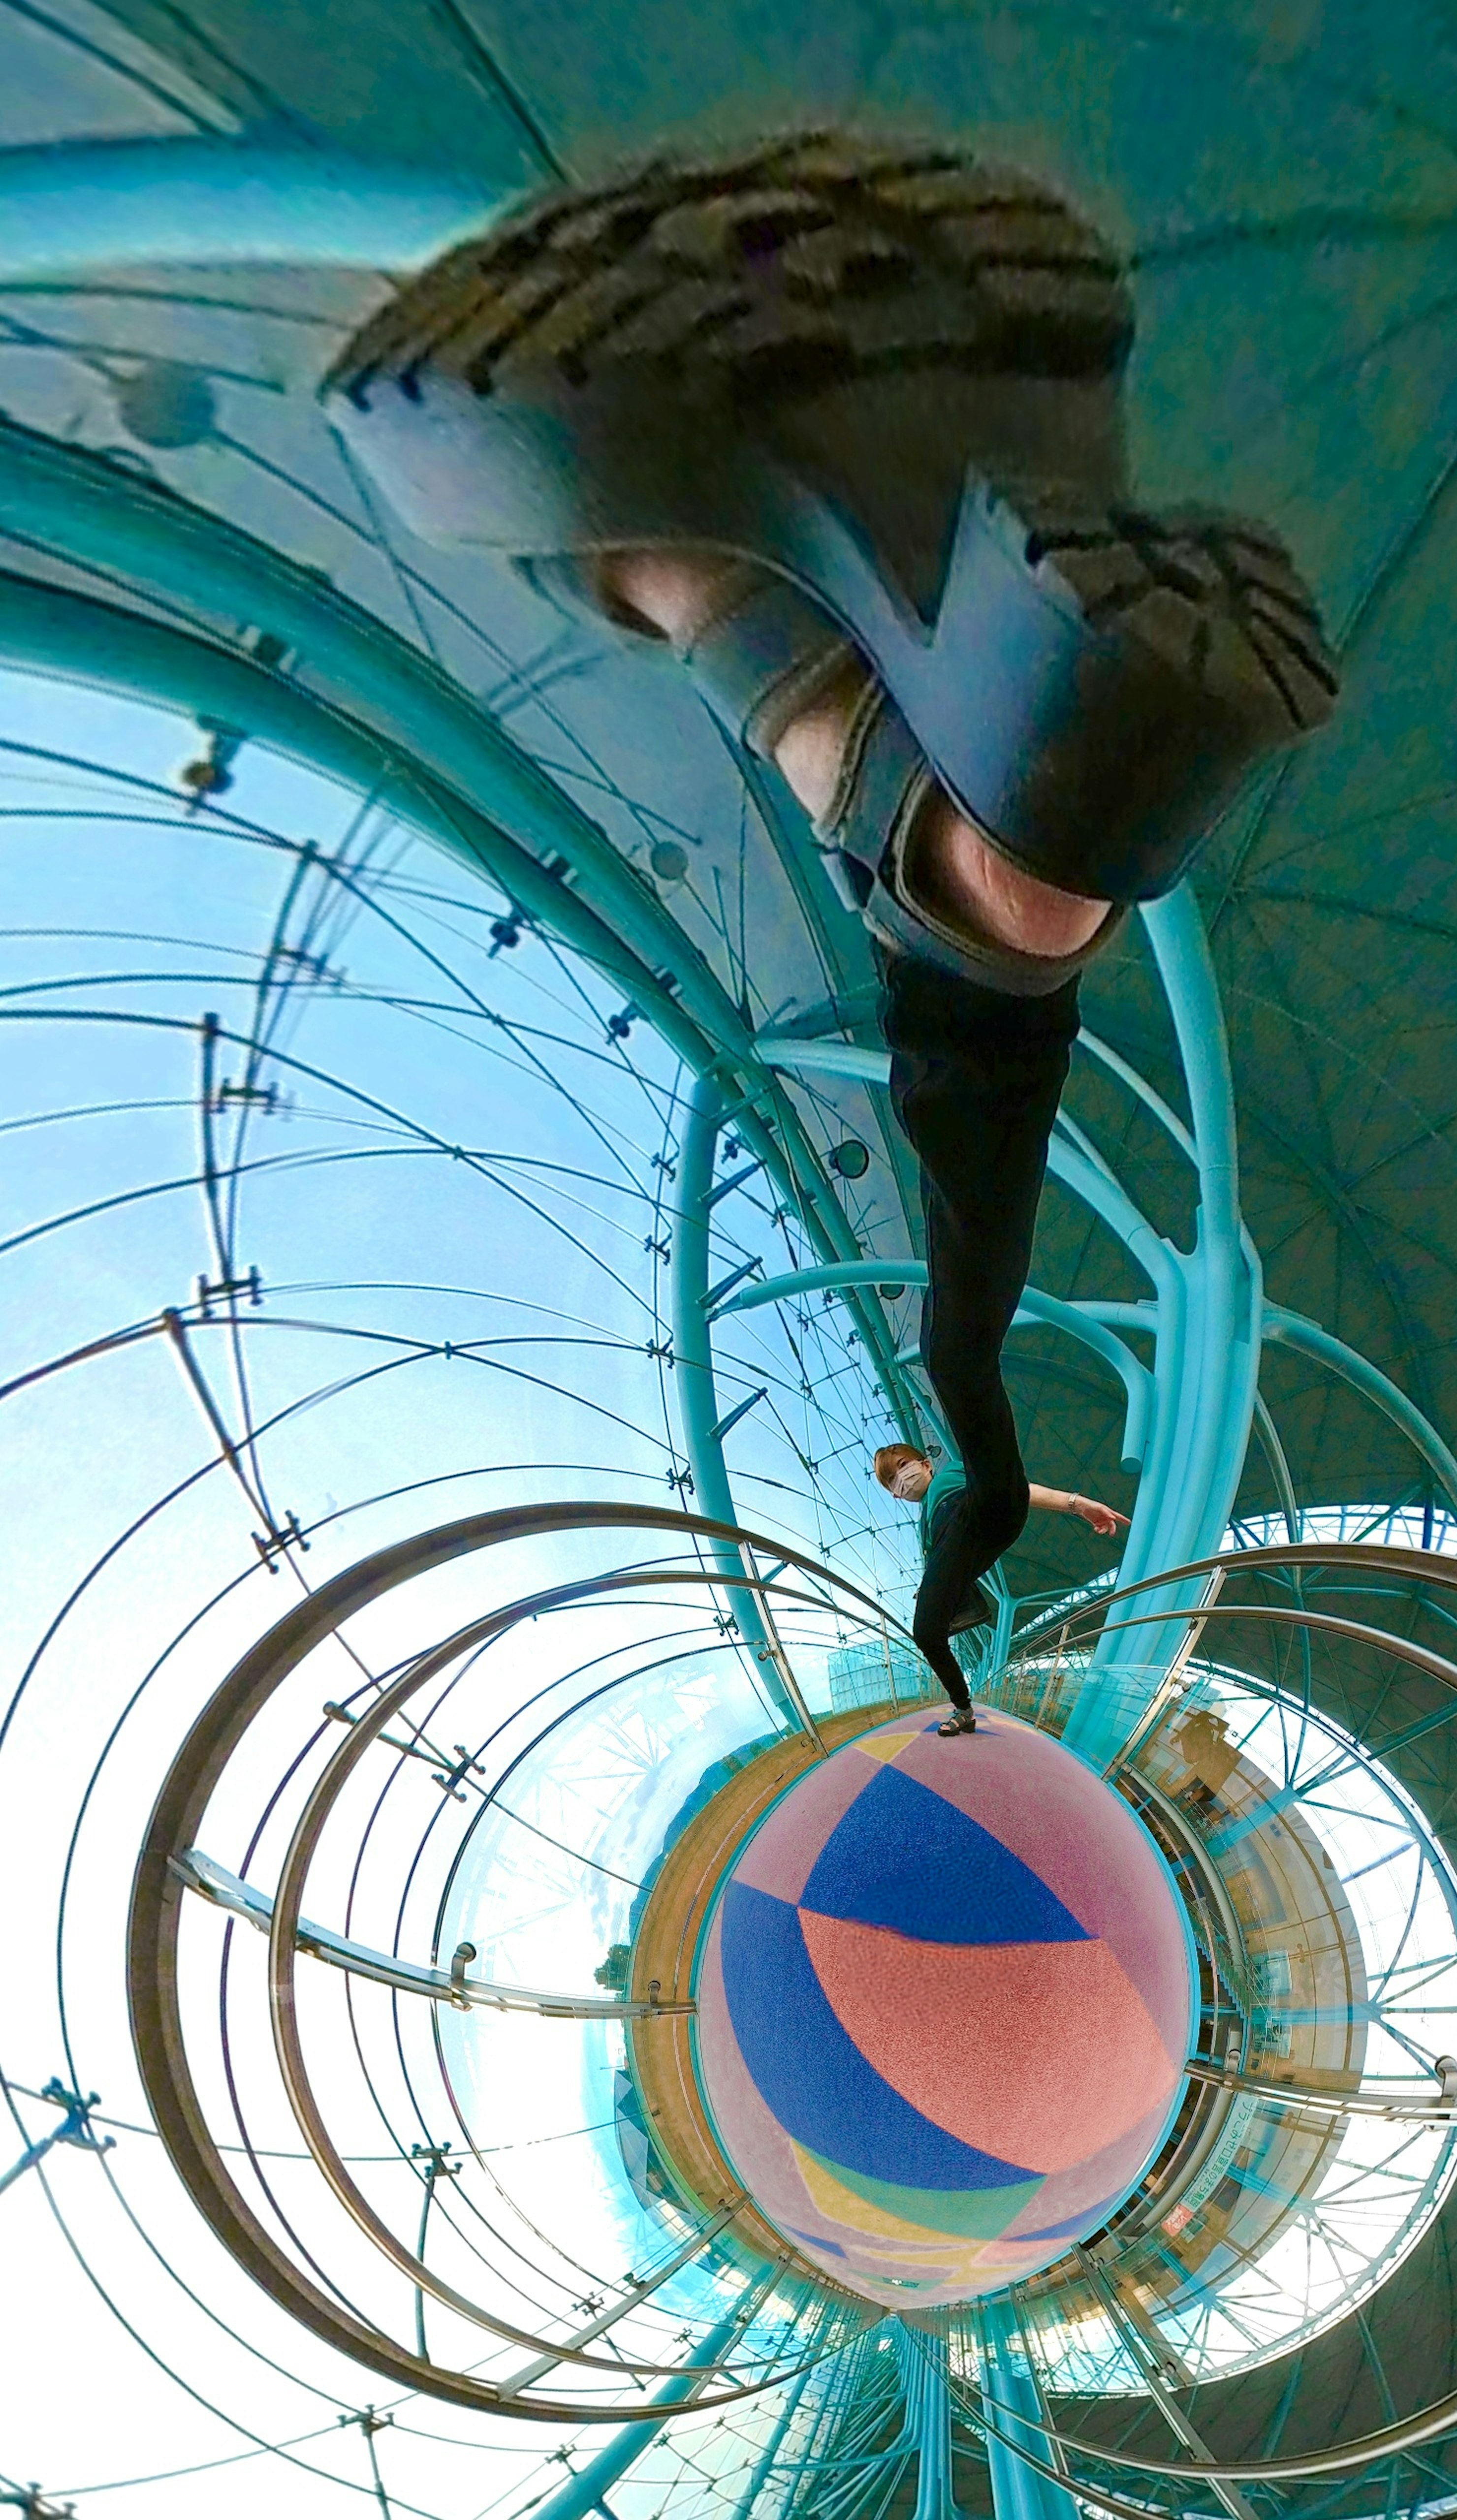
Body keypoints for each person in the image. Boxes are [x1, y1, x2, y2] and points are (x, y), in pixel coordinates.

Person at [322, 129, 1336, 1745]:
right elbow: (975, 1471)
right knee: (967, 1307)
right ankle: (935, 820)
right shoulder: (933, 1470)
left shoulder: (932, 1473)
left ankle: (973, 840)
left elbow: (979, 1476)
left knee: (971, 1321)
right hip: (967, 1495)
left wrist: (1012, 1517)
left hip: (970, 1494)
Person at [872, 1442, 1127, 1729]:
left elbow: (1015, 1489)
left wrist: (1076, 1504)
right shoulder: (925, 1529)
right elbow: (944, 1564)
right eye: (893, 1479)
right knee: (926, 1634)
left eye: (904, 1466)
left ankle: (973, 1410)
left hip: (970, 1509)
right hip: (967, 1539)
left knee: (988, 1465)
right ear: (895, 1494)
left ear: (927, 1465)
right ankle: (964, 1708)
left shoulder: (951, 1475)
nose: (902, 1479)